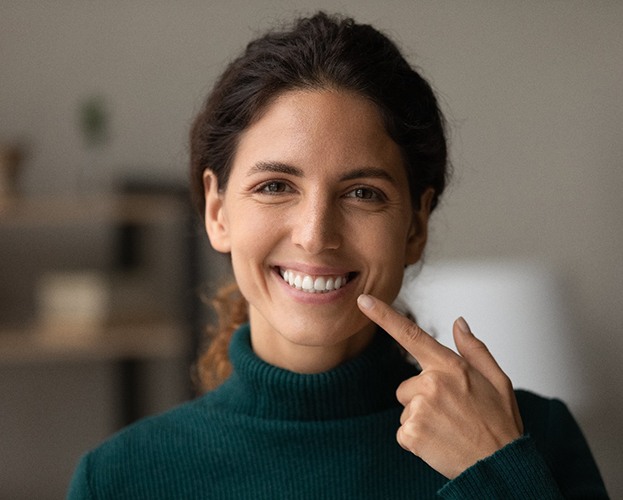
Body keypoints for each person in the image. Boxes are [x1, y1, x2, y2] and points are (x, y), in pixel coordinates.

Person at [67, 11, 608, 499]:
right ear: (217, 211)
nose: (315, 234)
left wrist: (497, 476)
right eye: (276, 186)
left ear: (416, 225)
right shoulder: (119, 479)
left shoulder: (535, 442)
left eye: (363, 193)